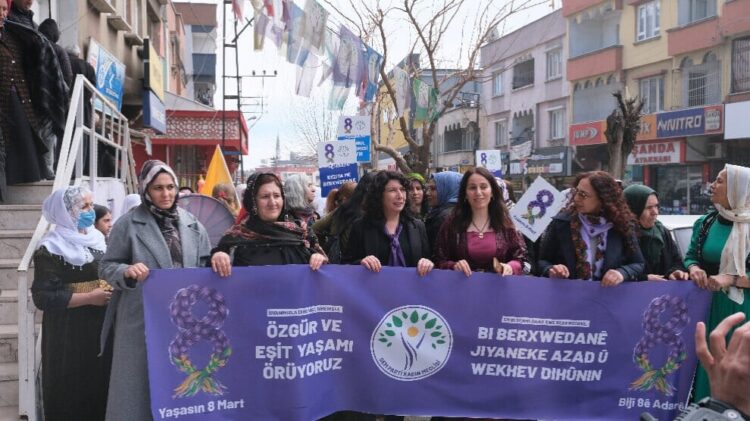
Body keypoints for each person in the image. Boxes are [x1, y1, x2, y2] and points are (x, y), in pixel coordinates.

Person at [99, 160, 211, 421]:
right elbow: (106, 266)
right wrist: (126, 271)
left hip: (184, 321)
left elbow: (205, 263)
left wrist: (218, 259)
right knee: (138, 388)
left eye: (170, 187)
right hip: (142, 318)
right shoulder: (128, 224)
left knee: (181, 383)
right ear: (146, 189)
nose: (166, 194)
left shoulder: (192, 224)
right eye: (158, 188)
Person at [32, 186, 111, 420]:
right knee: (71, 384)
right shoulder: (51, 248)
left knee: (99, 381)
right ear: (66, 212)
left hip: (99, 322)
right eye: (83, 206)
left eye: (91, 204)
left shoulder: (97, 239)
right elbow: (44, 296)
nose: (90, 211)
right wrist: (90, 297)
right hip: (69, 329)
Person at [685, 164, 750, 401]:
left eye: (720, 181)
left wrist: (730, 278)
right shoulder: (706, 223)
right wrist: (694, 269)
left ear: (737, 189)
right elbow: (691, 256)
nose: (713, 185)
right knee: (708, 364)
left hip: (743, 312)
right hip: (707, 308)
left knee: (740, 371)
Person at [538, 171, 645, 286]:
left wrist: (622, 273)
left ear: (602, 199)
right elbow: (542, 261)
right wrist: (552, 270)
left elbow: (638, 263)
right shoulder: (561, 223)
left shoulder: (622, 225)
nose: (576, 198)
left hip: (609, 295)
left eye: (583, 195)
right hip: (568, 294)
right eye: (576, 192)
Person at [209, 172, 327, 273]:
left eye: (276, 196)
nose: (272, 202)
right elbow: (214, 280)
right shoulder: (235, 238)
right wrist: (219, 257)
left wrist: (319, 259)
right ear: (253, 201)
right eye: (265, 196)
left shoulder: (302, 233)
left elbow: (323, 277)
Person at [435, 167, 526, 276]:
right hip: (462, 286)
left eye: (483, 187)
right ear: (465, 193)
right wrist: (453, 266)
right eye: (472, 187)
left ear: (492, 192)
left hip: (500, 285)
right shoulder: (452, 222)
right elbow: (438, 259)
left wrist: (510, 267)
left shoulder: (506, 222)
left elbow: (522, 258)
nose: (478, 192)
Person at [342, 171, 434, 276]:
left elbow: (427, 259)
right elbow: (346, 265)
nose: (400, 196)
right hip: (375, 286)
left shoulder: (417, 226)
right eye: (392, 190)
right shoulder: (361, 227)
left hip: (410, 286)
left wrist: (427, 263)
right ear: (379, 195)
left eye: (402, 190)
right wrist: (361, 262)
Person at [1, 9, 49, 189]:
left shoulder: (12, 36)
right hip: (7, 100)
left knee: (23, 140)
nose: (3, 14)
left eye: (5, 9)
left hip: (17, 96)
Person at [623, 184, 688, 281]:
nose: (655, 212)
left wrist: (675, 272)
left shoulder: (662, 231)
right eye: (648, 208)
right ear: (634, 210)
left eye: (656, 206)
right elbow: (617, 271)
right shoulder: (622, 235)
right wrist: (644, 279)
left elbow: (677, 261)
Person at [313, 172, 377, 264]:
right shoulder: (366, 215)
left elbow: (315, 228)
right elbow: (315, 229)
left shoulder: (342, 209)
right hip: (355, 264)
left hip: (344, 264)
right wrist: (323, 249)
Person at [425, 171, 462, 255]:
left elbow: (437, 253)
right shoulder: (459, 211)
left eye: (433, 189)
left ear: (448, 189)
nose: (427, 193)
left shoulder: (444, 217)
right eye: (428, 188)